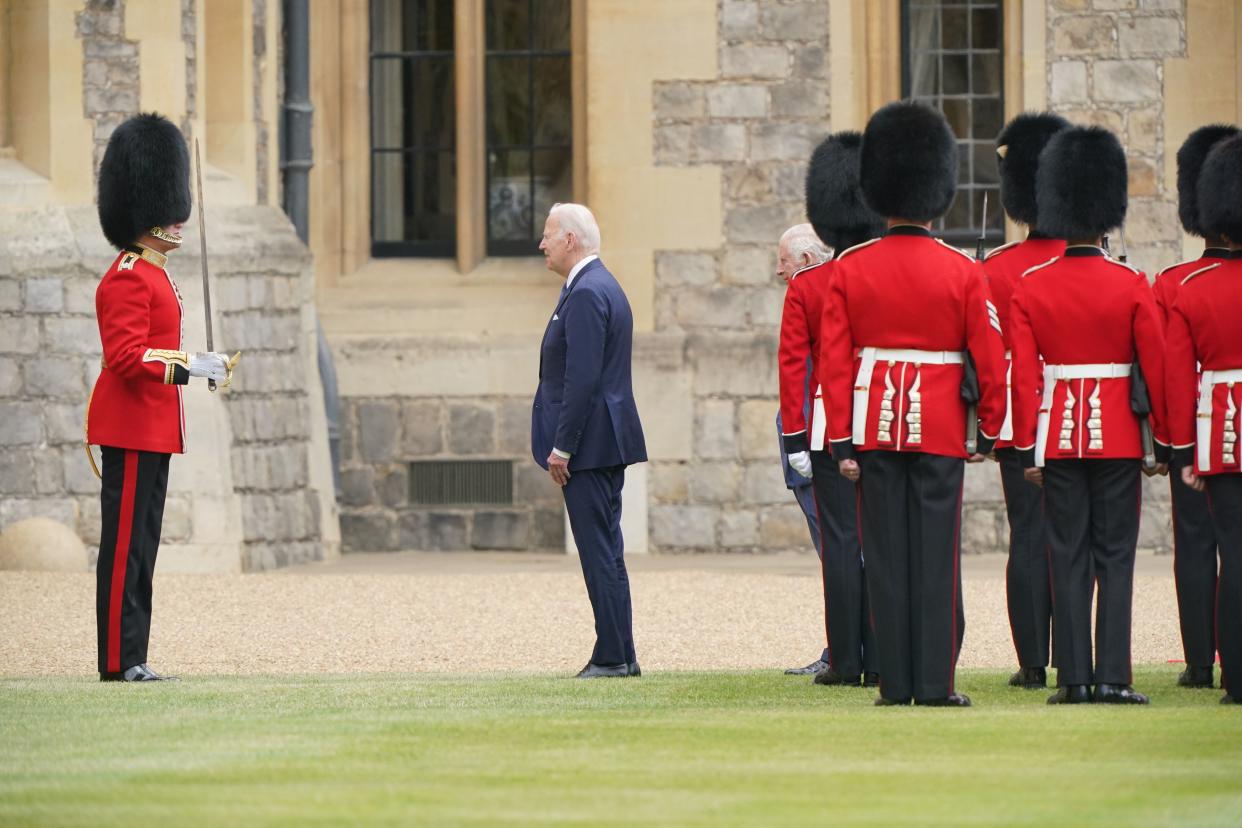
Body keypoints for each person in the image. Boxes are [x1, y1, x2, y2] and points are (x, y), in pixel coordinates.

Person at [819, 102, 1008, 707]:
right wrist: (990, 430)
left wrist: (842, 438)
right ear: (936, 192)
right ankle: (934, 685)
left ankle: (894, 686)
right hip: (943, 429)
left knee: (887, 560)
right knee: (935, 560)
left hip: (874, 425)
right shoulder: (962, 271)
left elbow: (835, 363)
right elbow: (990, 357)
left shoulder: (851, 269)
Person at [1009, 126, 1170, 705]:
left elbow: (1025, 379)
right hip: (1121, 441)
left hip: (1057, 437)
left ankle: (1073, 679)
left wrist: (1030, 447)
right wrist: (1166, 445)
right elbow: (1156, 368)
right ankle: (1112, 677)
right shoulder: (1131, 284)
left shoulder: (1031, 286)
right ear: (1106, 215)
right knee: (1115, 556)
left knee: (1066, 552)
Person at [88, 113, 237, 682]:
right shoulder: (126, 275)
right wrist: (191, 364)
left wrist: (199, 367)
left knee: (142, 549)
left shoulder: (155, 273)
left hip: (152, 429)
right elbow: (127, 357)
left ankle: (134, 655)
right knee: (124, 548)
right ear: (147, 211)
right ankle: (117, 661)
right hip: (129, 428)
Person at [781, 133, 886, 689]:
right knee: (885, 541)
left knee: (841, 545)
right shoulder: (884, 272)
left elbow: (793, 367)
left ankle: (846, 660)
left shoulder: (809, 284)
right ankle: (888, 652)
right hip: (887, 419)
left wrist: (795, 439)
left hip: (827, 427)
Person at [531, 202, 647, 679]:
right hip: (604, 440)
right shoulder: (599, 285)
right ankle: (621, 651)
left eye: (548, 235)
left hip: (591, 444)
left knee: (599, 550)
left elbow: (582, 378)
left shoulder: (586, 292)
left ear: (570, 241)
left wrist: (563, 446)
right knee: (607, 549)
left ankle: (612, 656)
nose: (542, 244)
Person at [982, 112, 1070, 690]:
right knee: (1077, 538)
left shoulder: (997, 268)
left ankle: (1032, 661)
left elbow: (987, 357)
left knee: (1028, 536)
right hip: (1085, 419)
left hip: (1018, 424)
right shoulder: (1101, 263)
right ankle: (1079, 654)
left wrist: (988, 427)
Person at [1152, 124, 1238, 691]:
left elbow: (1169, 374)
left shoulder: (1182, 285)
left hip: (1209, 435)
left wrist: (1173, 445)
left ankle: (1201, 662)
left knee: (1201, 545)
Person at [774, 223, 831, 676]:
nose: (779, 271)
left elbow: (800, 373)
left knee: (835, 550)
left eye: (784, 261)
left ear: (807, 261)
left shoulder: (809, 294)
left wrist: (799, 442)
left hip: (815, 439)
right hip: (819, 437)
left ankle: (844, 649)